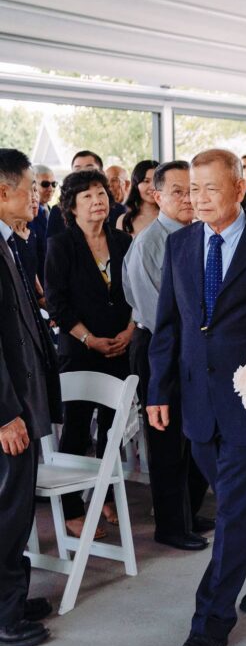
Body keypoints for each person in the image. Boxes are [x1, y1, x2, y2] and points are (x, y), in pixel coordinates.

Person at [147, 149, 246, 646]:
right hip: (194, 396)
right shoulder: (179, 243)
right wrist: (158, 391)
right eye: (192, 189)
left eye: (211, 189)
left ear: (239, 189)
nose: (199, 199)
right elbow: (169, 323)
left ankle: (210, 624)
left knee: (232, 509)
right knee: (233, 498)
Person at [122, 160, 210, 552]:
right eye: (178, 191)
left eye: (193, 189)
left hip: (194, 349)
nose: (189, 198)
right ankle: (171, 525)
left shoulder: (200, 233)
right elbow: (156, 313)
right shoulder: (149, 242)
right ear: (156, 196)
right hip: (161, 349)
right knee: (167, 440)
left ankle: (190, 512)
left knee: (196, 435)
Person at [44, 169, 134, 538]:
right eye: (87, 197)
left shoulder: (123, 241)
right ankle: (71, 508)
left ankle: (106, 495)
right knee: (78, 428)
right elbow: (57, 303)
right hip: (80, 350)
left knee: (115, 430)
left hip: (120, 347)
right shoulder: (61, 245)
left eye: (101, 194)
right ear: (73, 206)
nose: (98, 201)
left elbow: (134, 293)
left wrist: (129, 332)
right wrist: (89, 339)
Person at [0, 150, 62, 646]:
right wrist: (6, 415)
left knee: (17, 510)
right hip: (6, 410)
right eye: (29, 189)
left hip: (23, 398)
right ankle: (5, 616)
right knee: (6, 510)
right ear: (4, 192)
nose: (37, 198)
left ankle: (15, 597)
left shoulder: (11, 242)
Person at [47, 150, 126, 237]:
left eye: (89, 169)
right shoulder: (57, 211)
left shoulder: (118, 210)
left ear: (101, 173)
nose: (83, 173)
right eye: (77, 169)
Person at [28, 164, 57, 284]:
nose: (50, 188)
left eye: (54, 184)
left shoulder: (54, 212)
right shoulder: (28, 215)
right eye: (45, 184)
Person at [117, 159, 159, 237]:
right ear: (136, 185)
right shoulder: (124, 221)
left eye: (157, 181)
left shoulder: (170, 217)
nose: (153, 187)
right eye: (146, 181)